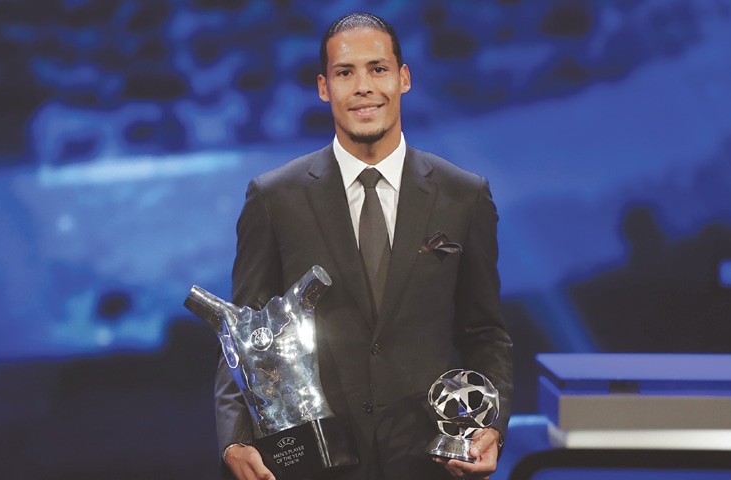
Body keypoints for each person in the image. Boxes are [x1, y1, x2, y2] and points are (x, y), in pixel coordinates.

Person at [215, 12, 513, 480]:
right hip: (316, 464)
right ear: (323, 87)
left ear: (403, 78)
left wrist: (491, 426)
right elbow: (243, 334)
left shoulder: (464, 195)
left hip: (428, 463)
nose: (363, 87)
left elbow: (485, 332)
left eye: (377, 69)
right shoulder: (274, 198)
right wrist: (234, 438)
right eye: (344, 72)